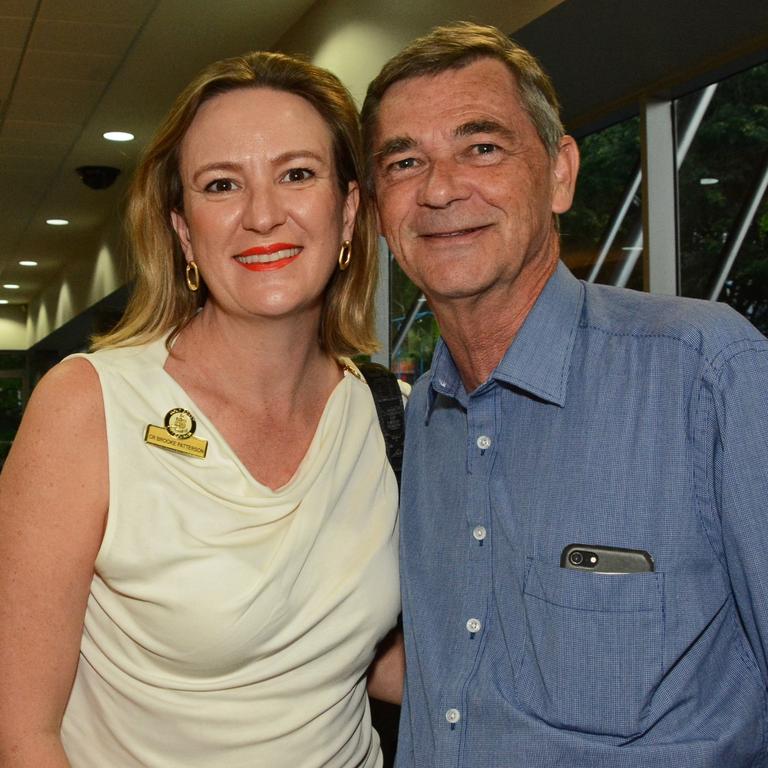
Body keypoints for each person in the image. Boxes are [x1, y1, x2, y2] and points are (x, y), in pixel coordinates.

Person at [362, 21, 768, 767]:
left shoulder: (710, 373)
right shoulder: (422, 418)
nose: (441, 188)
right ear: (380, 210)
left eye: (482, 147)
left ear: (559, 173)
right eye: (405, 161)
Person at [0, 51, 405, 767]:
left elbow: (356, 654)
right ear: (185, 233)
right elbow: (20, 732)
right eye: (222, 185)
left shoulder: (388, 415)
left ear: (347, 211)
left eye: (298, 174)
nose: (263, 214)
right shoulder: (90, 407)